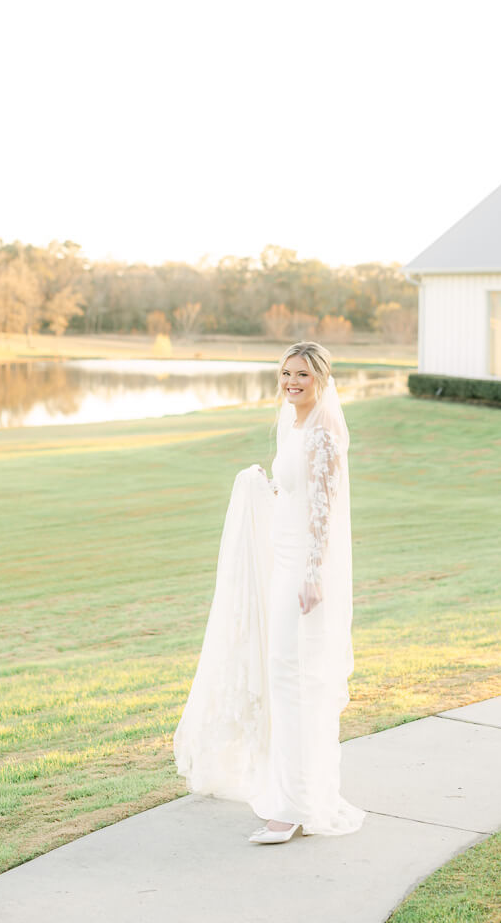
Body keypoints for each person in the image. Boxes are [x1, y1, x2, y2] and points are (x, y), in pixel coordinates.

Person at [173, 341, 365, 843]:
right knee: (281, 677)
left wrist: (314, 572)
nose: (291, 382)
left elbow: (324, 509)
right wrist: (261, 488)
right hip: (280, 557)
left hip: (305, 566)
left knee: (296, 679)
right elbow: (292, 492)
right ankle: (288, 795)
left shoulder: (324, 433)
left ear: (320, 378)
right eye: (285, 373)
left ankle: (295, 807)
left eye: (301, 374)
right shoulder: (289, 421)